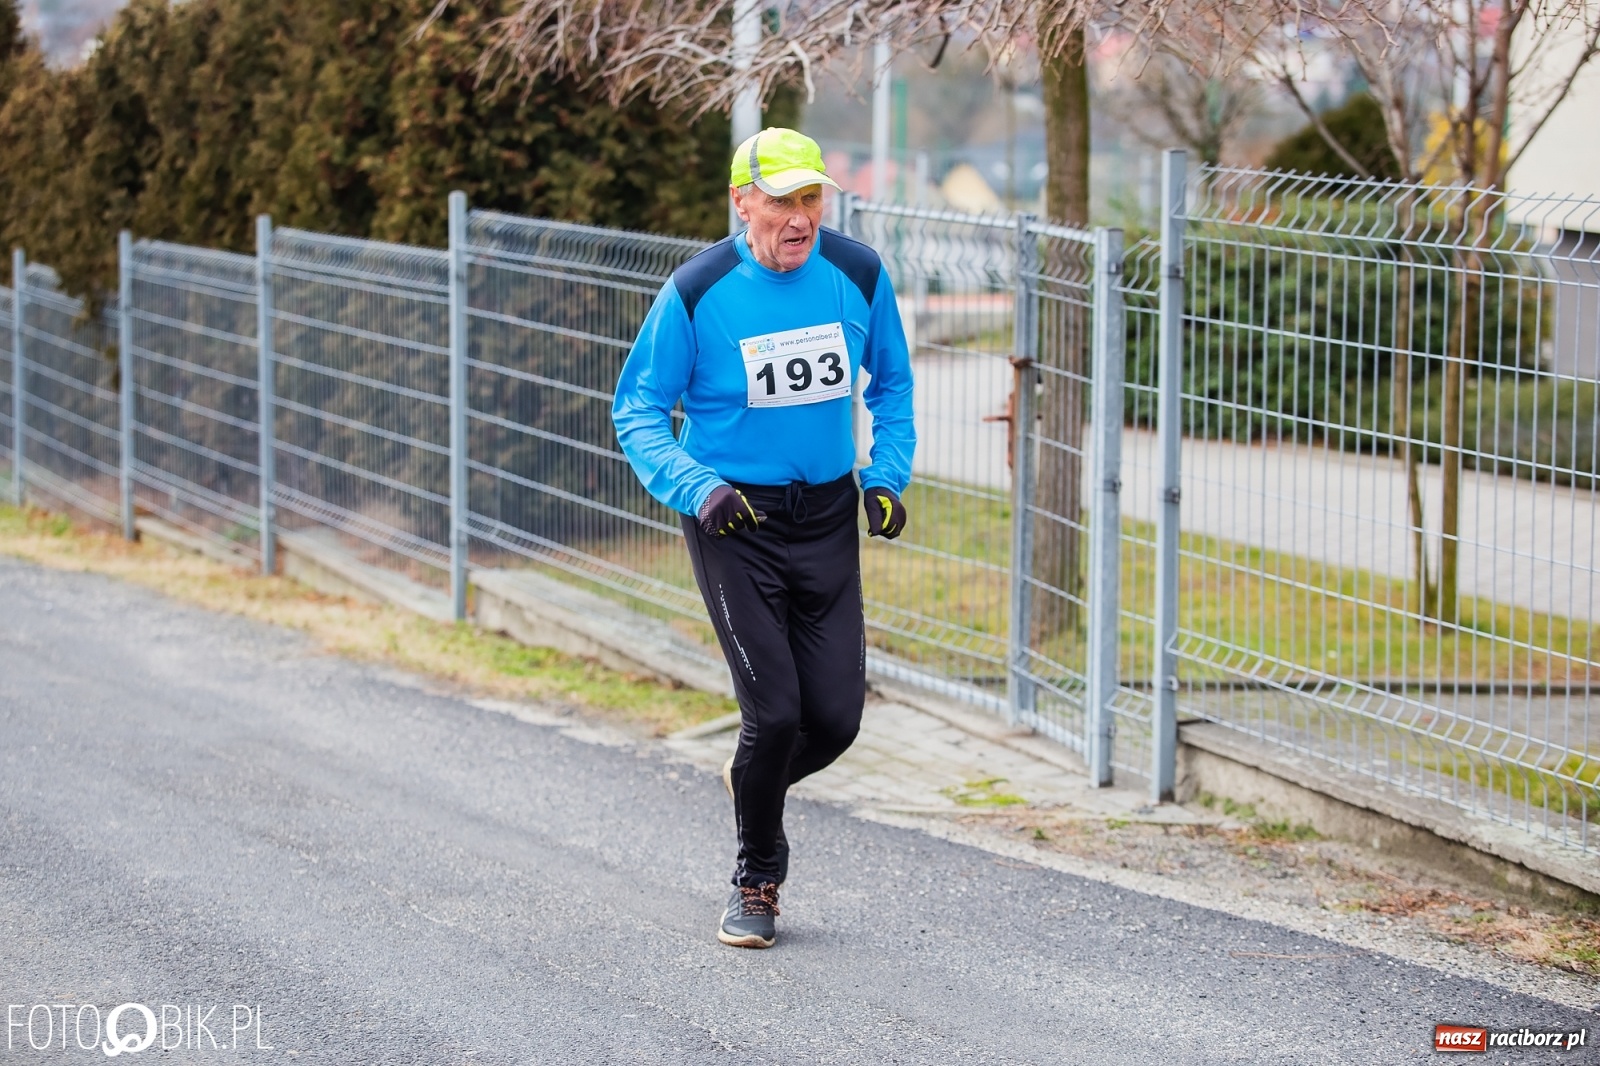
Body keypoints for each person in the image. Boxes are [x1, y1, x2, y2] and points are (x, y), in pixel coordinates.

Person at [612, 127, 915, 949]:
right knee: (775, 715)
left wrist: (886, 475)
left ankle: (752, 780)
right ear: (742, 201)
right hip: (732, 520)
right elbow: (636, 410)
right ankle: (757, 880)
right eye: (781, 200)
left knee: (838, 720)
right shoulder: (698, 290)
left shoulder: (857, 274)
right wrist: (698, 488)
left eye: (811, 198)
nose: (799, 217)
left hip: (824, 518)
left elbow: (892, 385)